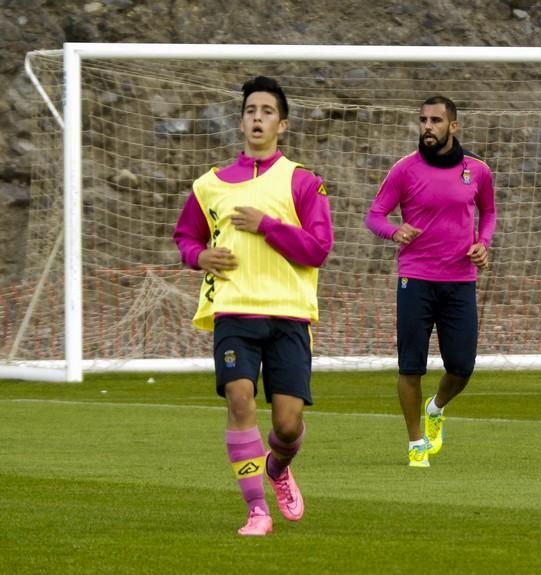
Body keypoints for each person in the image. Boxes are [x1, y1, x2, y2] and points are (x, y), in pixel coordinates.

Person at [173, 76, 333, 535]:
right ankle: (256, 511)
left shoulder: (303, 182)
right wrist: (199, 255)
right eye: (250, 111)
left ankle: (279, 468)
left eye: (266, 111)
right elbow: (186, 236)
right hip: (234, 313)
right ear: (241, 121)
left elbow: (317, 249)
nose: (257, 118)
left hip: (289, 315)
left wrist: (268, 226)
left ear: (282, 124)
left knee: (286, 426)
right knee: (239, 399)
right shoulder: (211, 185)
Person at [365, 95, 496, 468]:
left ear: (453, 126)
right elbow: (374, 216)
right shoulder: (404, 170)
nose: (427, 126)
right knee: (410, 367)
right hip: (416, 280)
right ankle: (416, 442)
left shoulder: (477, 171)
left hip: (460, 280)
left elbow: (488, 213)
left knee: (462, 367)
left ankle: (435, 408)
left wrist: (483, 244)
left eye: (436, 120)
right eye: (423, 120)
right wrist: (394, 232)